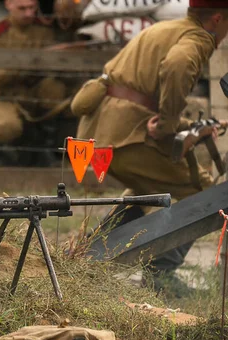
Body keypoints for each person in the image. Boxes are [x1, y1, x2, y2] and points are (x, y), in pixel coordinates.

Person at [73, 0, 228, 292]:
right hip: (126, 135)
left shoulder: (167, 29)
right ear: (217, 19)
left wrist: (183, 125)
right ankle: (161, 277)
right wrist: (169, 127)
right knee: (203, 194)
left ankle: (83, 260)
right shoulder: (197, 38)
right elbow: (177, 65)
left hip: (101, 131)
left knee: (150, 192)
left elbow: (139, 95)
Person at [0, 0, 72, 166]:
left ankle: (43, 148)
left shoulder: (43, 31)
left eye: (32, 8)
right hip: (1, 96)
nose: (28, 13)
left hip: (31, 92)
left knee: (55, 89)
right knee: (6, 126)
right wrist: (24, 66)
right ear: (8, 5)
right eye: (22, 8)